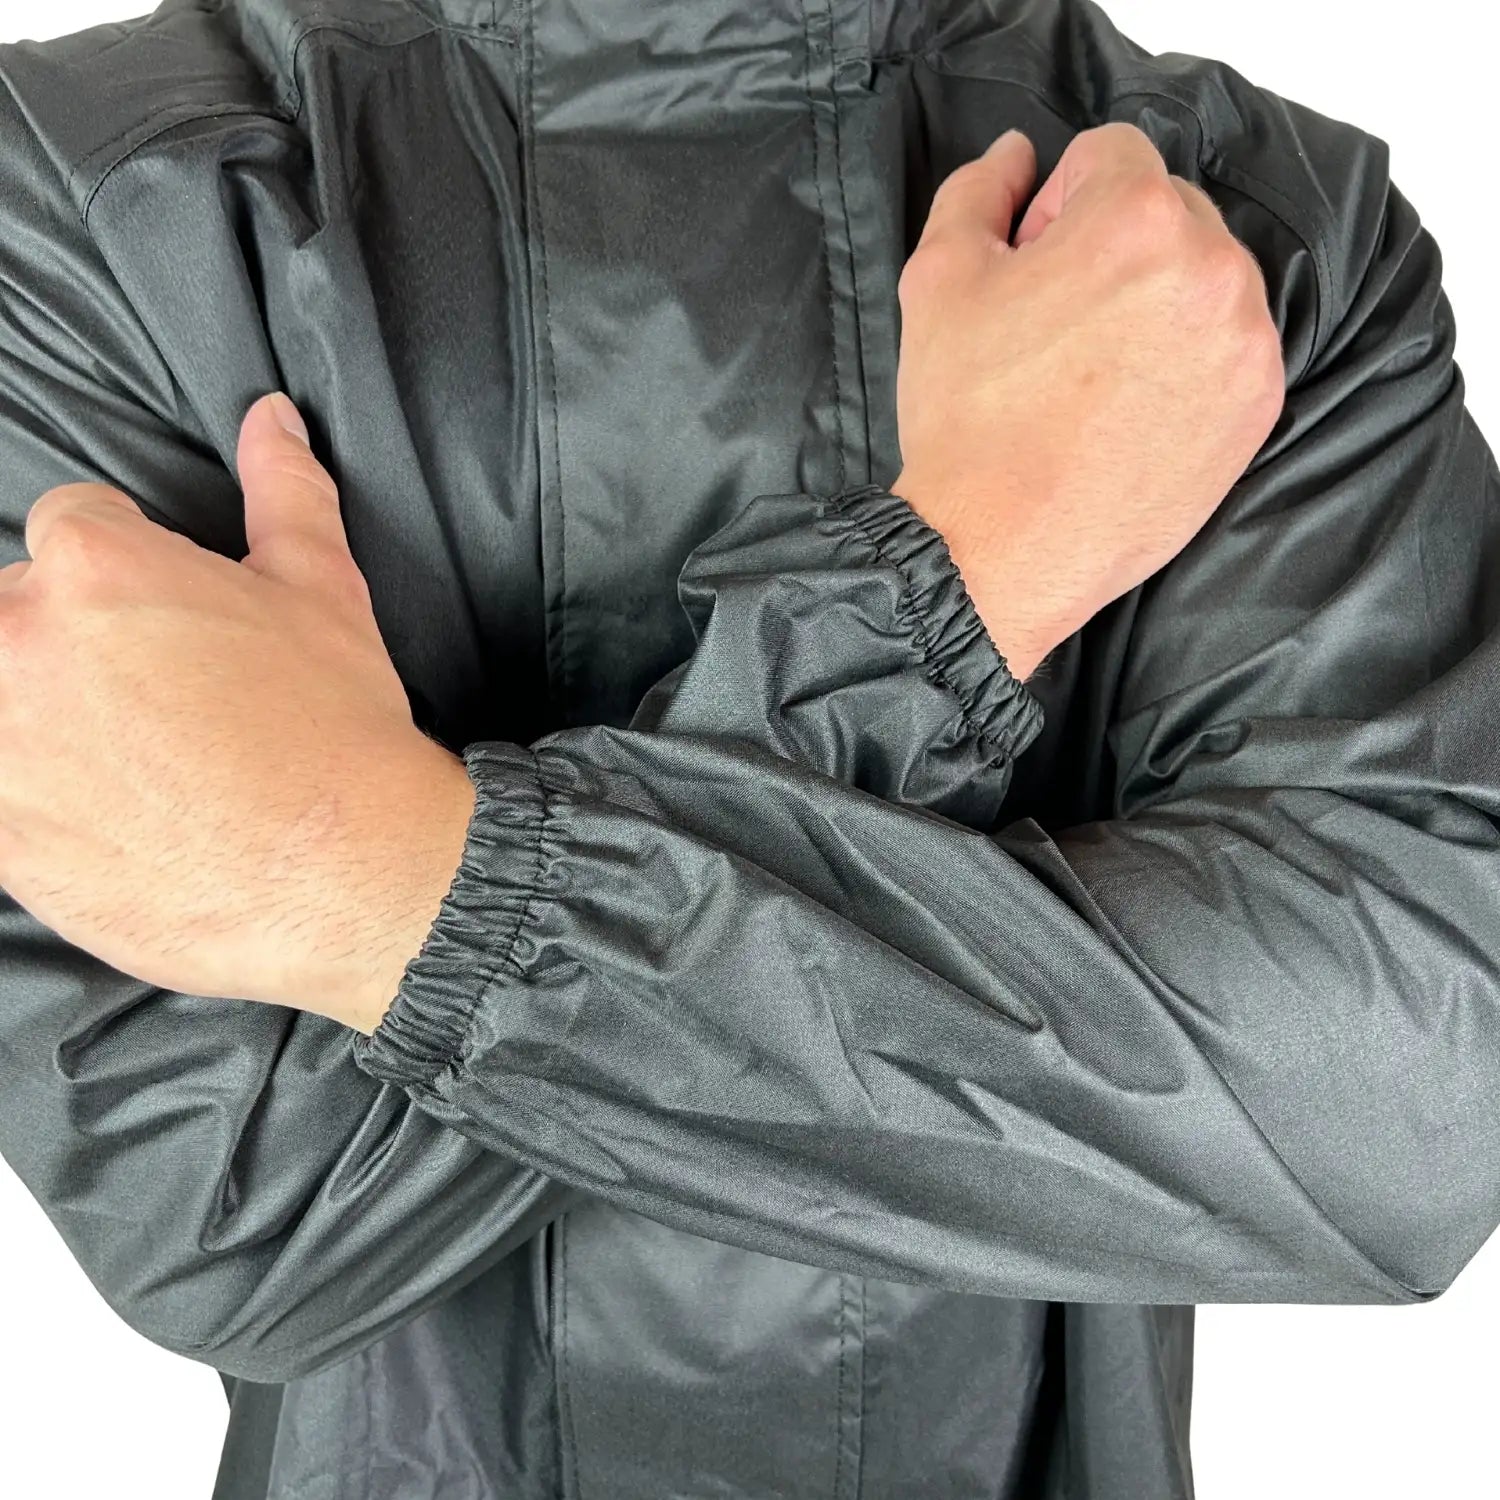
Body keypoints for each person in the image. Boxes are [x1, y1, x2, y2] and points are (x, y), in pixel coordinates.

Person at [0, 1, 1496, 1497]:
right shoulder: (95, 196)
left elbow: (1404, 1117)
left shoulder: (1235, 230)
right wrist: (961, 585)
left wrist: (382, 889)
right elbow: (238, 1209)